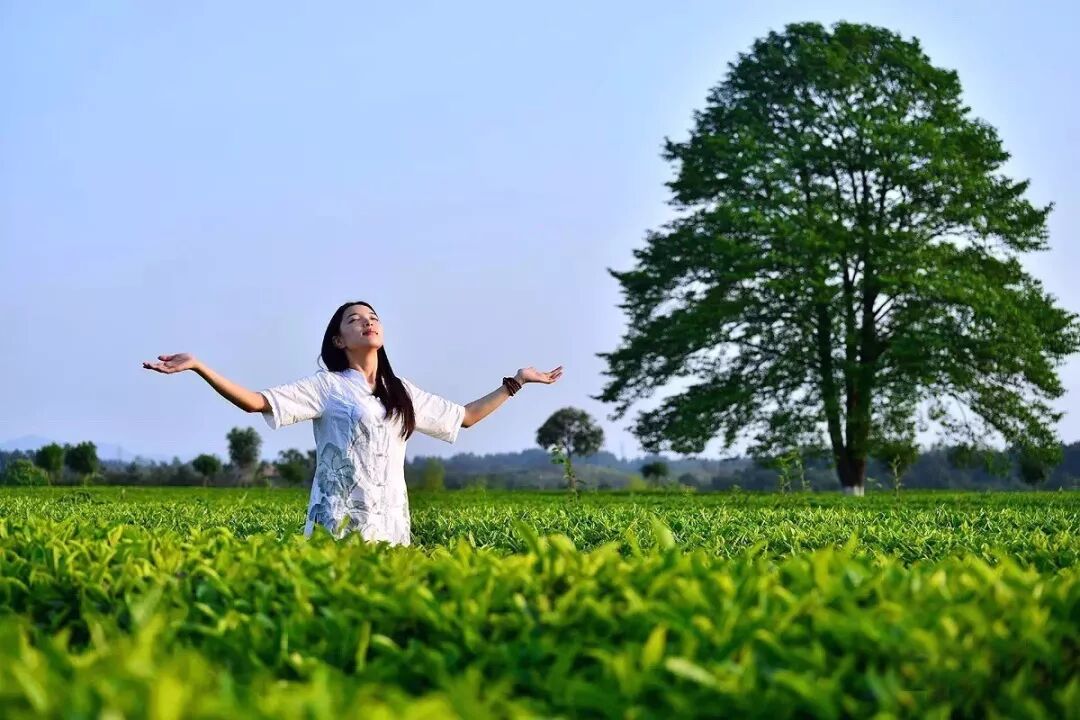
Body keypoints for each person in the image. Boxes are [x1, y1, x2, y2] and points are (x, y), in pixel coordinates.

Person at [143, 300, 563, 544]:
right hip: (337, 524)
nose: (368, 321)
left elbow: (465, 418)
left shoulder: (400, 390)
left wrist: (516, 383)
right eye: (355, 319)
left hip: (392, 525)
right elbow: (256, 403)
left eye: (372, 316)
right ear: (339, 340)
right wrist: (199, 366)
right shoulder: (328, 388)